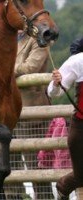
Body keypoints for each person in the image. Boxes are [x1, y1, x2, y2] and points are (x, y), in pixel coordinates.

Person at [7, 30, 53, 199]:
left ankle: (45, 198)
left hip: (31, 111)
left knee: (36, 166)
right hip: (7, 111)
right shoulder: (7, 37)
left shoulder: (39, 40)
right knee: (9, 163)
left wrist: (3, 69)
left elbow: (30, 67)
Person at [47, 52, 83, 200]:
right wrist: (56, 83)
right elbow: (53, 92)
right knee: (80, 177)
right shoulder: (79, 61)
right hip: (81, 128)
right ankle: (62, 188)